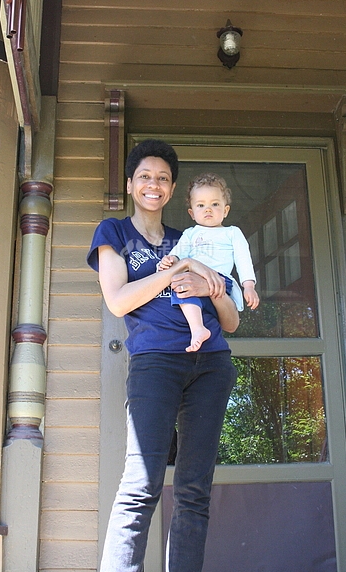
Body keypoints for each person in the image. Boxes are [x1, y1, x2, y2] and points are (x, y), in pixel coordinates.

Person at [87, 139, 239, 572]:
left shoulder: (189, 238)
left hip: (210, 363)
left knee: (194, 489)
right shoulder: (114, 233)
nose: (154, 185)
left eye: (164, 179)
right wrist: (177, 269)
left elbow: (224, 312)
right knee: (141, 484)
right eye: (146, 177)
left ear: (172, 190)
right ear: (132, 183)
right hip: (155, 363)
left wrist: (215, 284)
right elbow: (118, 301)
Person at [158, 172, 259, 352]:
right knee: (180, 287)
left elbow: (243, 259)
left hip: (221, 279)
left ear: (225, 210)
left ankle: (199, 327)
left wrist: (249, 286)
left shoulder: (232, 233)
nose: (208, 209)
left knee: (185, 284)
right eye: (201, 205)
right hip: (193, 279)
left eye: (215, 204)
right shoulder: (190, 233)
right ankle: (198, 328)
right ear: (192, 213)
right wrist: (168, 261)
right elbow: (178, 254)